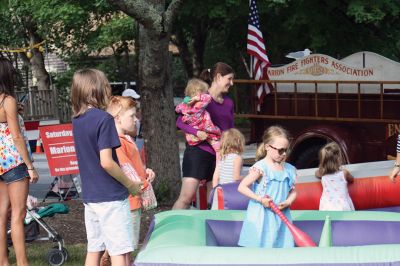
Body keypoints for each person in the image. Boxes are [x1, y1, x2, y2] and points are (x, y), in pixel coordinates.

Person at [71, 69, 142, 266]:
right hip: (111, 197)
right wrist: (130, 185)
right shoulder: (104, 120)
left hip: (91, 198)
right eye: (106, 86)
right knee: (119, 250)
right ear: (98, 90)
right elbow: (107, 162)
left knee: (94, 249)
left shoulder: (77, 121)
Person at [100, 96, 156, 266]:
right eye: (131, 116)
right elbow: (126, 171)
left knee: (126, 246)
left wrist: (145, 172)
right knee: (126, 249)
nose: (136, 119)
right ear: (117, 118)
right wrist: (144, 184)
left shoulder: (126, 139)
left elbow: (133, 167)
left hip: (133, 200)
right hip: (129, 202)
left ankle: (107, 255)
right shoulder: (117, 142)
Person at [172, 62, 235, 210]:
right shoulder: (201, 99)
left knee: (215, 200)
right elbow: (180, 122)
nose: (231, 83)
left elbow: (231, 129)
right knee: (186, 198)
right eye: (229, 79)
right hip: (198, 153)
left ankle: (211, 230)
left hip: (219, 155)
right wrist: (196, 133)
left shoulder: (229, 103)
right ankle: (171, 229)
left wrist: (233, 148)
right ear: (218, 77)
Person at [0, 58, 39, 266]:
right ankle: (23, 263)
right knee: (18, 214)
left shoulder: (7, 103)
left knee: (1, 215)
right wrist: (30, 166)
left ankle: (3, 261)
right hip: (13, 162)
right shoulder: (7, 100)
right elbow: (16, 137)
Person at [238, 126, 297, 248]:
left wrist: (288, 201)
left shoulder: (289, 169)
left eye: (286, 150)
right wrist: (260, 199)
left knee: (281, 247)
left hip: (282, 216)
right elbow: (242, 187)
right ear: (267, 147)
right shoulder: (261, 168)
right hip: (262, 216)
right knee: (262, 247)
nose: (284, 154)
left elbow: (293, 191)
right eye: (280, 150)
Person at [175, 79, 222, 160]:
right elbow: (208, 97)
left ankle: (218, 160)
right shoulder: (200, 103)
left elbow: (177, 109)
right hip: (205, 128)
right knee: (216, 143)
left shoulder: (185, 105)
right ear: (197, 92)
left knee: (214, 144)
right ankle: (219, 160)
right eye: (203, 92)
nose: (205, 94)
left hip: (201, 131)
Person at [316, 142, 355, 211]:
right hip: (342, 206)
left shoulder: (322, 173)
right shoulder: (344, 173)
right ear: (338, 159)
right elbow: (352, 179)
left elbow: (316, 174)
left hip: (326, 207)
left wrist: (322, 169)